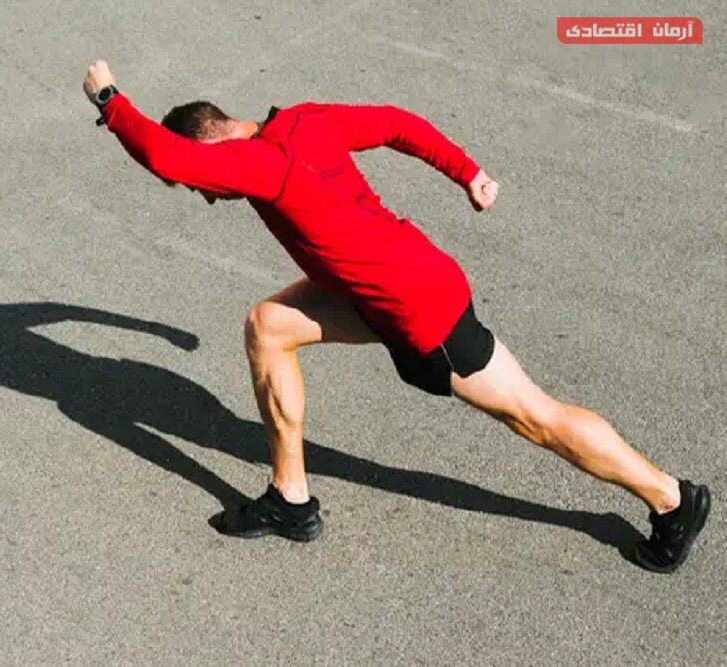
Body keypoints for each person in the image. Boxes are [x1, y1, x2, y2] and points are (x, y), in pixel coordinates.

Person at [81, 60, 709, 573]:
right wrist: (468, 173)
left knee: (535, 416)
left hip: (420, 310)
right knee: (268, 327)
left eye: (202, 185)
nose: (207, 195)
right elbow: (395, 123)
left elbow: (165, 156)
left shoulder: (258, 164)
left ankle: (670, 498)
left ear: (211, 143)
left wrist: (109, 100)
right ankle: (291, 498)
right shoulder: (306, 120)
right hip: (383, 287)